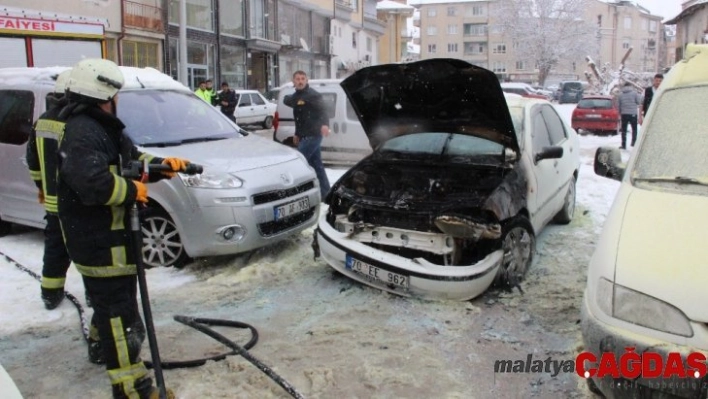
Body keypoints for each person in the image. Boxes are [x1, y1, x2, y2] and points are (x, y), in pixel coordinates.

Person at [57, 58, 189, 399]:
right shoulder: (83, 131)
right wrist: (133, 191)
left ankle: (102, 349)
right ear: (104, 94)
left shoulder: (102, 127)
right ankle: (133, 389)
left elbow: (127, 163)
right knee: (121, 319)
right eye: (115, 94)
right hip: (102, 245)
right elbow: (92, 183)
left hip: (110, 243)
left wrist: (160, 168)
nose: (119, 99)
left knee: (112, 310)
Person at [25, 70, 73, 310]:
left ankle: (50, 293)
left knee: (55, 249)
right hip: (77, 201)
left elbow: (33, 161)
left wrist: (41, 187)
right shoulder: (78, 122)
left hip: (53, 201)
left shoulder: (42, 121)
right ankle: (94, 295)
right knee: (89, 251)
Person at [283, 70, 331, 199]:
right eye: (297, 79)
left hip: (314, 134)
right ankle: (327, 194)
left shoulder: (313, 95)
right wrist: (297, 134)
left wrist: (325, 124)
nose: (300, 81)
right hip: (304, 135)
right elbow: (299, 117)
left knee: (298, 163)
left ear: (306, 80)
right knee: (317, 166)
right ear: (293, 81)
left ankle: (295, 195)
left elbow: (324, 110)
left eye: (302, 79)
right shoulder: (295, 97)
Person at [617, 81, 641, 149]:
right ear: (630, 86)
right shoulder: (634, 93)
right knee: (634, 129)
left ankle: (623, 145)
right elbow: (639, 102)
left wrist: (619, 113)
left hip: (624, 114)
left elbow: (619, 105)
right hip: (633, 114)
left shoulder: (620, 95)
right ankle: (633, 142)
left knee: (624, 130)